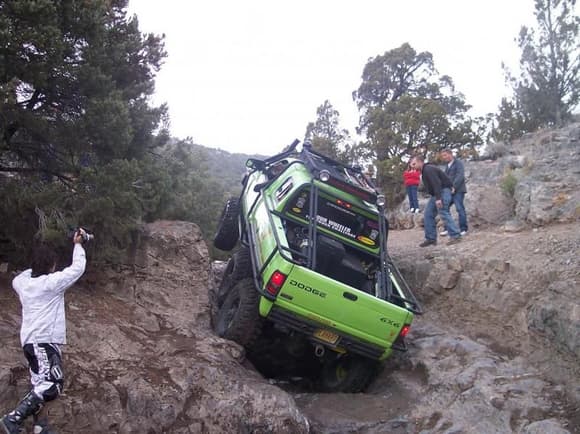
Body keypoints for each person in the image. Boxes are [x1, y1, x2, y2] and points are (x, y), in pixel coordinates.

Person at [0, 230, 87, 434]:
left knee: (39, 383)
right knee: (52, 383)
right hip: (43, 340)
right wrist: (78, 244)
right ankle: (13, 419)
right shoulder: (51, 284)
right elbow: (77, 268)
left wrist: (39, 265)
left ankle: (41, 426)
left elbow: (22, 276)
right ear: (51, 266)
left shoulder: (23, 283)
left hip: (31, 340)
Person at [409, 155, 461, 246]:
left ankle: (456, 235)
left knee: (443, 212)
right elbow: (443, 178)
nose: (412, 166)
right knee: (428, 214)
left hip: (442, 192)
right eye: (411, 165)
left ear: (420, 162)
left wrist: (438, 198)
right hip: (438, 193)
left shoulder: (428, 169)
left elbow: (437, 183)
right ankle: (431, 238)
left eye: (414, 164)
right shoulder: (425, 171)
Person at [440, 149, 468, 236]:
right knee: (445, 209)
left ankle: (463, 229)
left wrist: (454, 187)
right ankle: (448, 228)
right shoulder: (447, 166)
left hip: (458, 190)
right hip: (449, 191)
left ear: (450, 154)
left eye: (445, 155)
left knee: (459, 208)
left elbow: (460, 176)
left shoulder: (458, 163)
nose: (444, 157)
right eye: (443, 156)